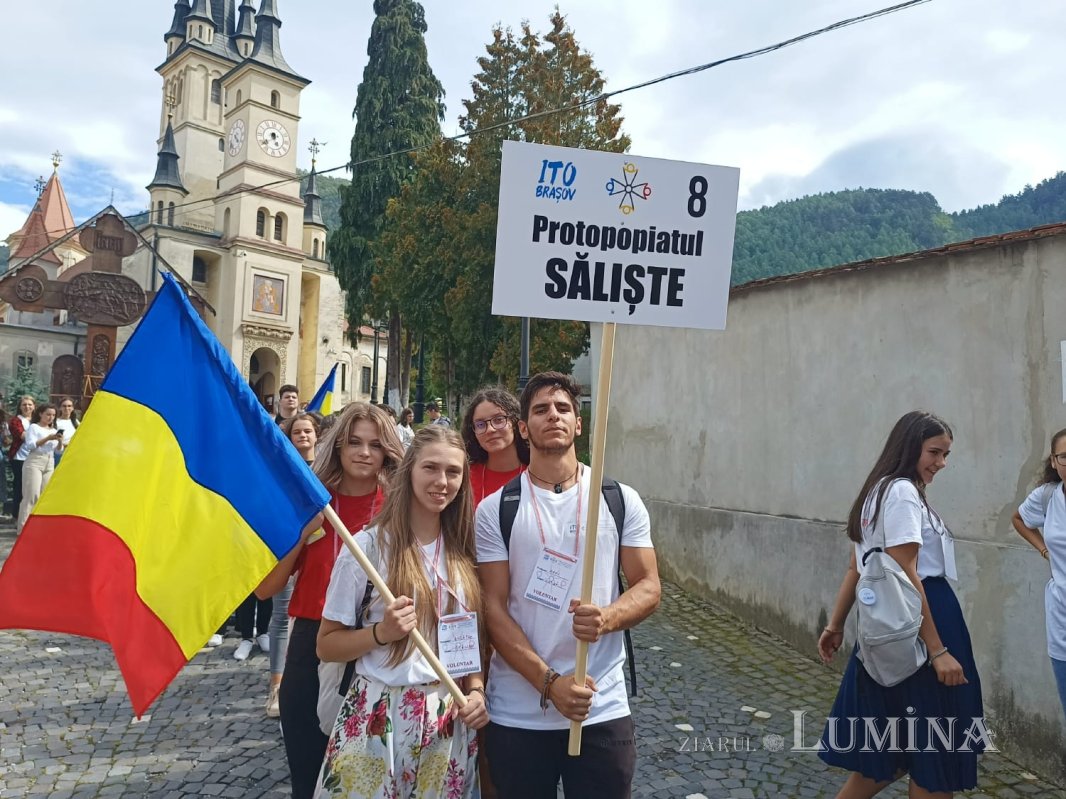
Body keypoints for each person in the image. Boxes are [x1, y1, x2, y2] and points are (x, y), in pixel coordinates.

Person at [475, 372, 660, 798]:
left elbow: (648, 585)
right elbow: (494, 608)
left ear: (579, 423)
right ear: (523, 428)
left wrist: (608, 617)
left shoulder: (618, 498)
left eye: (562, 408)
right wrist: (549, 684)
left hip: (601, 705)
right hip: (521, 711)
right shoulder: (496, 510)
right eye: (539, 410)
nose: (552, 416)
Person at [817, 411, 985, 797]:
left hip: (888, 628)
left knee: (889, 755)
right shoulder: (904, 493)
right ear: (910, 446)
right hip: (921, 627)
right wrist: (938, 648)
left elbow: (856, 567)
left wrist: (836, 624)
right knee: (935, 753)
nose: (941, 463)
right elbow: (907, 572)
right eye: (934, 452)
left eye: (946, 455)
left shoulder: (875, 492)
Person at [316, 426, 489, 796]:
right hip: (379, 716)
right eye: (430, 468)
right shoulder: (368, 547)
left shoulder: (463, 551)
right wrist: (380, 633)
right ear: (410, 469)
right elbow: (326, 644)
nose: (442, 481)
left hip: (446, 718)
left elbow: (464, 641)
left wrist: (475, 691)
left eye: (453, 472)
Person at [255, 402, 403, 799]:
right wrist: (302, 534)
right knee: (309, 775)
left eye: (375, 444)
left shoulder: (400, 509)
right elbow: (265, 588)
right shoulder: (310, 502)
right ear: (337, 446)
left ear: (388, 450)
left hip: (376, 649)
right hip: (310, 646)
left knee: (367, 780)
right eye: (354, 442)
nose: (364, 453)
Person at [261, 412, 322, 718]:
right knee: (282, 614)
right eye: (297, 431)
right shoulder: (283, 474)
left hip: (318, 559)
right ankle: (276, 684)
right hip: (289, 551)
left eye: (308, 431)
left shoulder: (324, 475)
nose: (303, 436)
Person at [1011, 427, 1066, 723]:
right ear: (1054, 462)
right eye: (1065, 456)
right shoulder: (1047, 497)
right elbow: (1019, 519)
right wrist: (1044, 550)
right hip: (1063, 621)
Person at [462, 386, 529, 508]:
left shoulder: (536, 476)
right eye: (480, 424)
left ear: (515, 422)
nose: (490, 430)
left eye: (498, 420)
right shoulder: (463, 477)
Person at [17, 403, 64, 532]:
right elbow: (31, 445)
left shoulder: (53, 430)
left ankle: (40, 528)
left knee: (44, 496)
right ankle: (23, 529)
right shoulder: (34, 427)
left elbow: (58, 451)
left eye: (53, 415)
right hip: (35, 461)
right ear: (40, 414)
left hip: (49, 462)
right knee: (31, 495)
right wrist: (47, 438)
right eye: (48, 414)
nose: (51, 417)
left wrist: (59, 440)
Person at [6, 396, 35, 520]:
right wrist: (43, 434)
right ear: (20, 407)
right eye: (24, 404)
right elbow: (23, 436)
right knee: (20, 486)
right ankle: (16, 515)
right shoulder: (15, 421)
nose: (27, 407)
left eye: (29, 404)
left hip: (35, 457)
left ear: (34, 406)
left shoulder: (37, 420)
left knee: (33, 487)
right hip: (19, 457)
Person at [53, 397, 79, 468]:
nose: (67, 408)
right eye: (64, 406)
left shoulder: (76, 422)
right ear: (60, 408)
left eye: (69, 406)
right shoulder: (56, 422)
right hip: (59, 452)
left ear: (73, 408)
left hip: (72, 452)